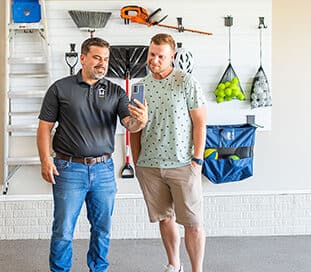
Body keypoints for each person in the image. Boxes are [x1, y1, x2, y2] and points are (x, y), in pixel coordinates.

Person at [37, 37, 148, 272]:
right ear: (83, 58)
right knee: (64, 229)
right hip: (68, 169)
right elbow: (44, 127)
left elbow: (129, 124)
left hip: (103, 170)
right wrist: (46, 160)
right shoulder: (60, 88)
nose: (102, 64)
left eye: (106, 59)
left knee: (102, 228)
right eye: (97, 57)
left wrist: (140, 121)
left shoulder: (116, 91)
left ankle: (98, 269)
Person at [130, 33, 207, 272]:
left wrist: (197, 159)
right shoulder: (140, 87)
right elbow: (134, 129)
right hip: (150, 166)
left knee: (193, 224)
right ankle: (174, 265)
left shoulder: (186, 82)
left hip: (183, 164)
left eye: (160, 56)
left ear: (171, 56)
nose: (154, 60)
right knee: (165, 219)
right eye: (152, 54)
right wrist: (137, 162)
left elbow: (200, 122)